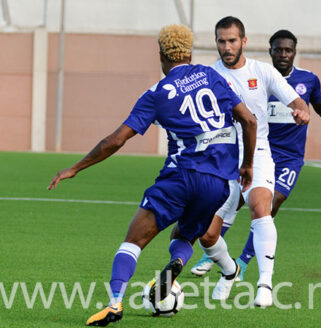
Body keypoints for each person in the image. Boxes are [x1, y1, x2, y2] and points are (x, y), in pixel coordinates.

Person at [47, 24, 257, 326]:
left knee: (133, 241)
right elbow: (249, 121)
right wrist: (247, 165)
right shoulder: (213, 76)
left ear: (161, 54)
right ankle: (177, 263)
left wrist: (75, 167)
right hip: (218, 183)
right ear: (189, 53)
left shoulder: (156, 94)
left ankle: (115, 304)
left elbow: (116, 140)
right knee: (184, 235)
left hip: (181, 176)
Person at [190, 17, 310, 307]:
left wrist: (301, 110)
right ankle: (230, 271)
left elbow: (296, 101)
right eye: (221, 41)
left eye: (232, 41)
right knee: (207, 235)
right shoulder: (208, 75)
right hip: (221, 159)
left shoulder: (263, 71)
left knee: (261, 208)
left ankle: (264, 284)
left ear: (243, 41)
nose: (226, 47)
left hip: (258, 155)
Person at [232, 29, 321, 281]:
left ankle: (243, 262)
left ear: (295, 52)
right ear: (270, 51)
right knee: (233, 200)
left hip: (290, 157)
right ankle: (211, 251)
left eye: (288, 50)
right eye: (278, 49)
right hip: (260, 152)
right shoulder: (257, 78)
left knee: (271, 204)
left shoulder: (308, 80)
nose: (283, 54)